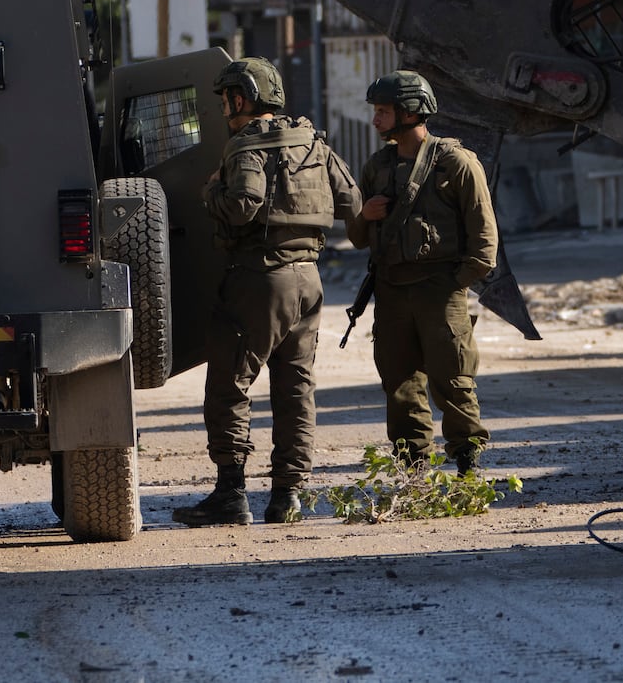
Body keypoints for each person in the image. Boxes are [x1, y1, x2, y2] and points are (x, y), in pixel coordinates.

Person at [173, 58, 361, 526]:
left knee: (229, 387)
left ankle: (231, 495)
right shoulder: (312, 140)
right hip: (309, 281)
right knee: (296, 389)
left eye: (226, 99)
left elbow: (242, 206)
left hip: (259, 280)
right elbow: (351, 202)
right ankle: (287, 497)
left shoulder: (245, 146)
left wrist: (210, 192)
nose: (223, 108)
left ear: (242, 98)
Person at [345, 70, 498, 474]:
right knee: (400, 386)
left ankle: (468, 466)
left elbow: (484, 236)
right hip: (392, 291)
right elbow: (358, 237)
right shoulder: (377, 167)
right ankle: (411, 471)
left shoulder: (455, 163)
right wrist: (365, 215)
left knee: (453, 381)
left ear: (410, 112)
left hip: (440, 290)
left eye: (383, 111)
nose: (375, 120)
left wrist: (456, 284)